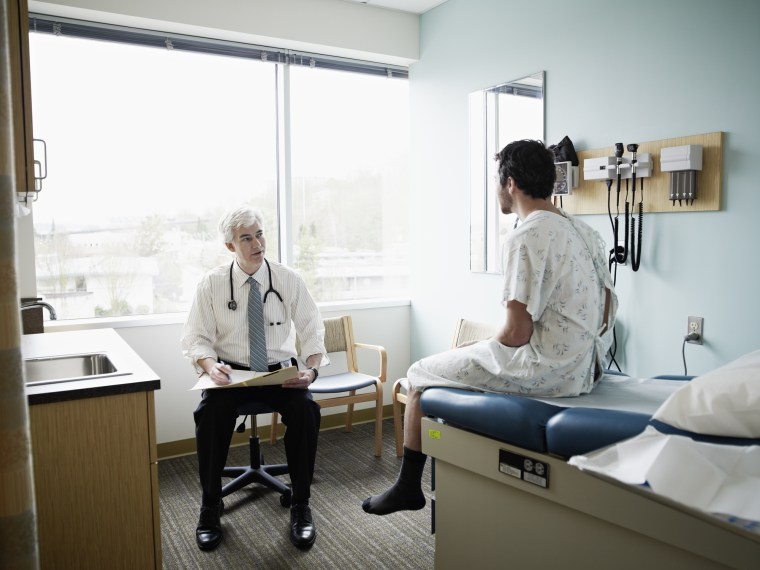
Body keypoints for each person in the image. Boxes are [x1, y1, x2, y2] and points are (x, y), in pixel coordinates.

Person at [363, 139, 618, 515]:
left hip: (551, 372)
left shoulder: (526, 235)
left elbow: (516, 334)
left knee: (419, 373)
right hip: (589, 367)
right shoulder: (584, 232)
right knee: (468, 355)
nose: (497, 191)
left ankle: (407, 486)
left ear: (511, 184)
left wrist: (471, 349)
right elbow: (609, 308)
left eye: (498, 183)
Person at [182, 206, 326, 551]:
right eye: (246, 238)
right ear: (231, 246)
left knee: (307, 411)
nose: (256, 243)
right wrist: (209, 364)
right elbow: (195, 338)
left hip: (281, 373)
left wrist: (311, 370)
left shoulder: (287, 279)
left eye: (259, 234)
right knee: (210, 414)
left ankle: (302, 504)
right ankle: (210, 506)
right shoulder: (212, 284)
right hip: (231, 374)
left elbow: (312, 330)